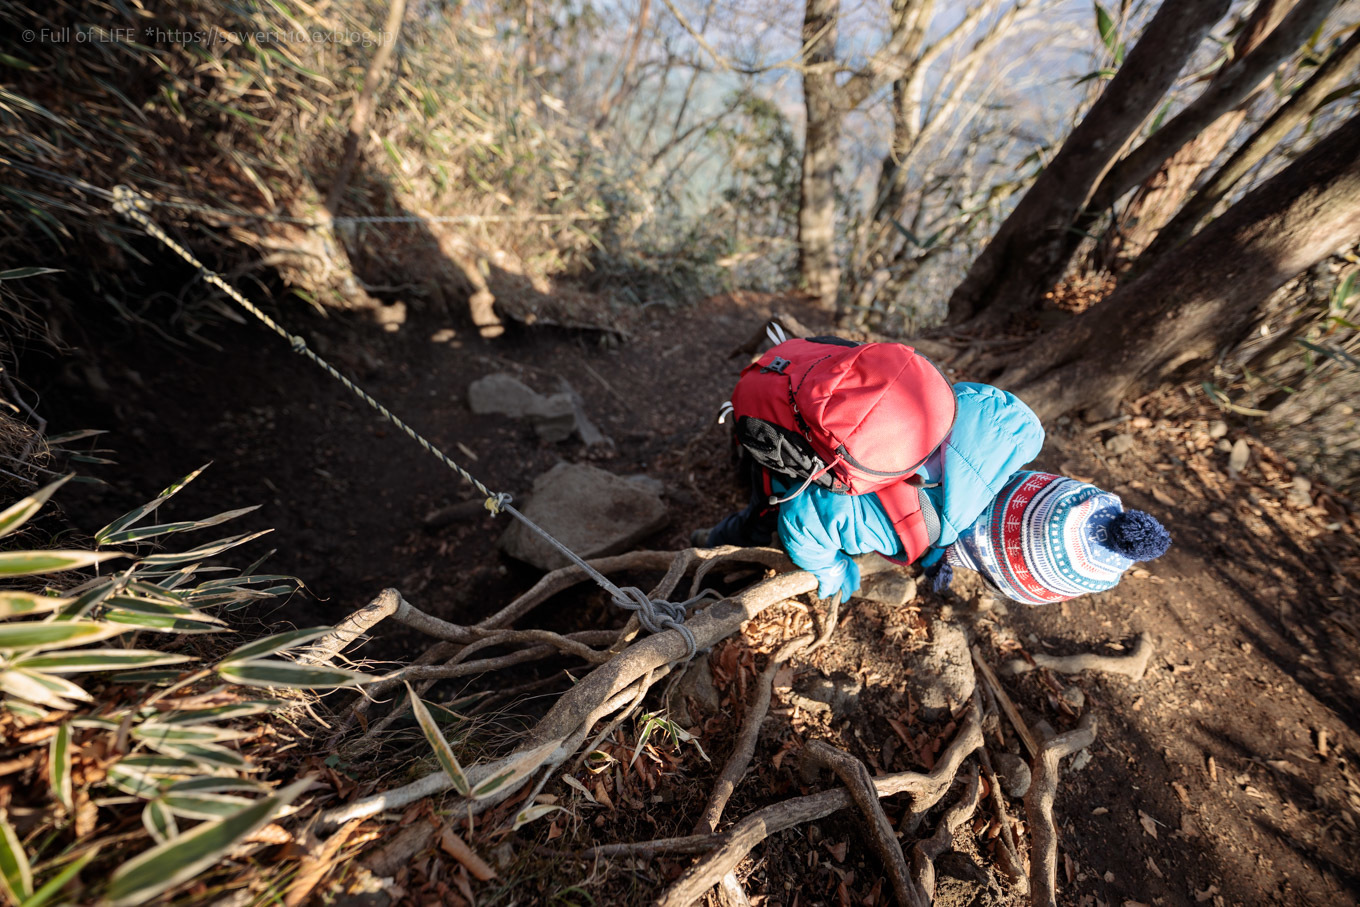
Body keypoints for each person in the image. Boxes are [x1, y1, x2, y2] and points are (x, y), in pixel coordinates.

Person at [769, 381, 1045, 599]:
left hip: (796, 397)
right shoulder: (888, 526)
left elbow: (956, 491)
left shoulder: (924, 415)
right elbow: (802, 517)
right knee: (757, 519)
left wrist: (937, 547)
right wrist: (830, 568)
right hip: (775, 444)